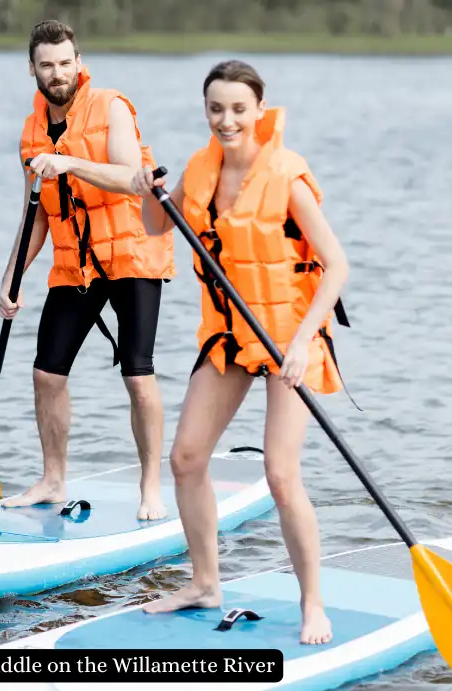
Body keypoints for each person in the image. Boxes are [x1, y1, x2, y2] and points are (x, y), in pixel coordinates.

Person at [129, 59, 351, 645]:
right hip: (232, 336)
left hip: (290, 339)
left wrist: (302, 344)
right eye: (215, 109)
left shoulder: (287, 176)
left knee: (280, 474)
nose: (226, 120)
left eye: (237, 109)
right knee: (186, 458)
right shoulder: (201, 169)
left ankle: (313, 604)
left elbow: (337, 267)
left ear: (259, 110)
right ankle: (205, 583)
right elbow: (155, 225)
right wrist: (147, 191)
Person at [0, 20, 176, 521]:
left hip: (132, 254)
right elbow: (35, 214)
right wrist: (11, 277)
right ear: (32, 69)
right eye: (47, 65)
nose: (57, 73)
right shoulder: (31, 132)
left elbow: (130, 178)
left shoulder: (111, 106)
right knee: (46, 373)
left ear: (79, 62)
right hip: (76, 263)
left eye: (65, 62)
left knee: (137, 374)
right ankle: (53, 480)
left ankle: (151, 487)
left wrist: (70, 163)